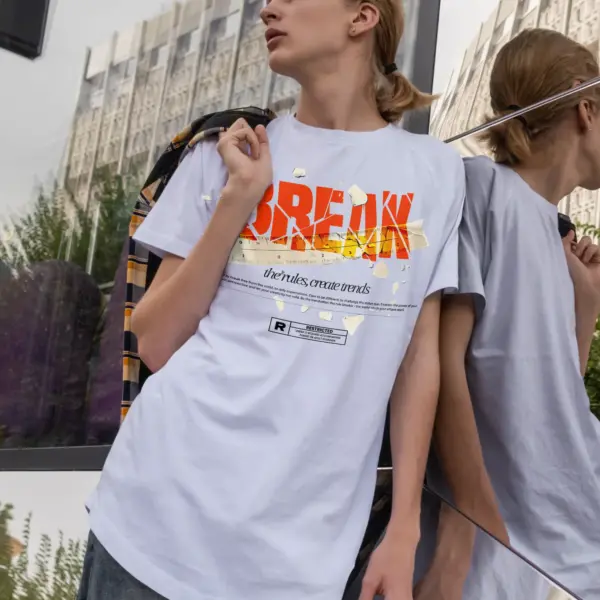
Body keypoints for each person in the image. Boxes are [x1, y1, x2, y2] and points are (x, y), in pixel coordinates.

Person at [78, 1, 466, 599]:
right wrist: (239, 197)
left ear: (362, 17)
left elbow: (418, 360)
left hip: (298, 563)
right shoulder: (228, 150)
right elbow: (155, 342)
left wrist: (405, 528)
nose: (267, 9)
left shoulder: (434, 173)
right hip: (152, 526)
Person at [416, 28, 600, 600]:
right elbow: (441, 363)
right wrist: (470, 517)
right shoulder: (483, 189)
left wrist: (587, 304)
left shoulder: (553, 233)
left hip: (566, 527)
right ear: (587, 109)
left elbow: (549, 400)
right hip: (508, 541)